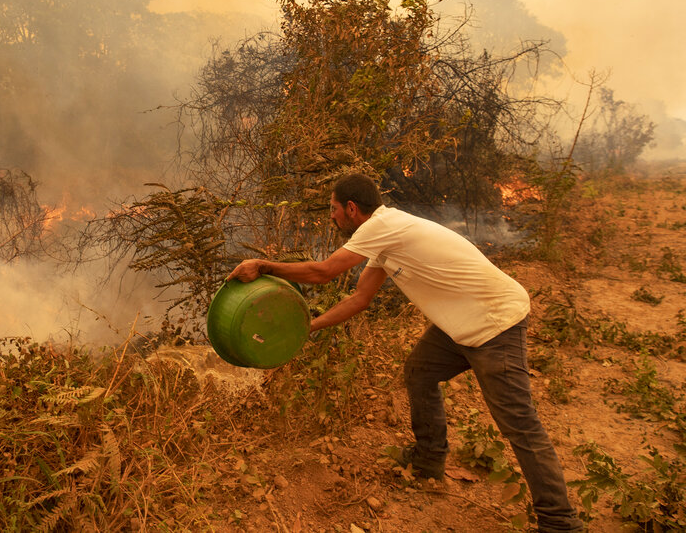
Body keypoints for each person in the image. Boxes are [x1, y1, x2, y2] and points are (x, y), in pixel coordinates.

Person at [228, 173, 583, 532]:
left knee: (520, 425)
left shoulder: (383, 225)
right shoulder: (385, 236)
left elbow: (324, 273)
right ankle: (429, 460)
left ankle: (560, 521)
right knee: (420, 372)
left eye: (334, 209)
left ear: (352, 209)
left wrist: (264, 266)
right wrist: (306, 328)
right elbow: (360, 299)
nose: (332, 217)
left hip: (495, 322)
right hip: (461, 324)